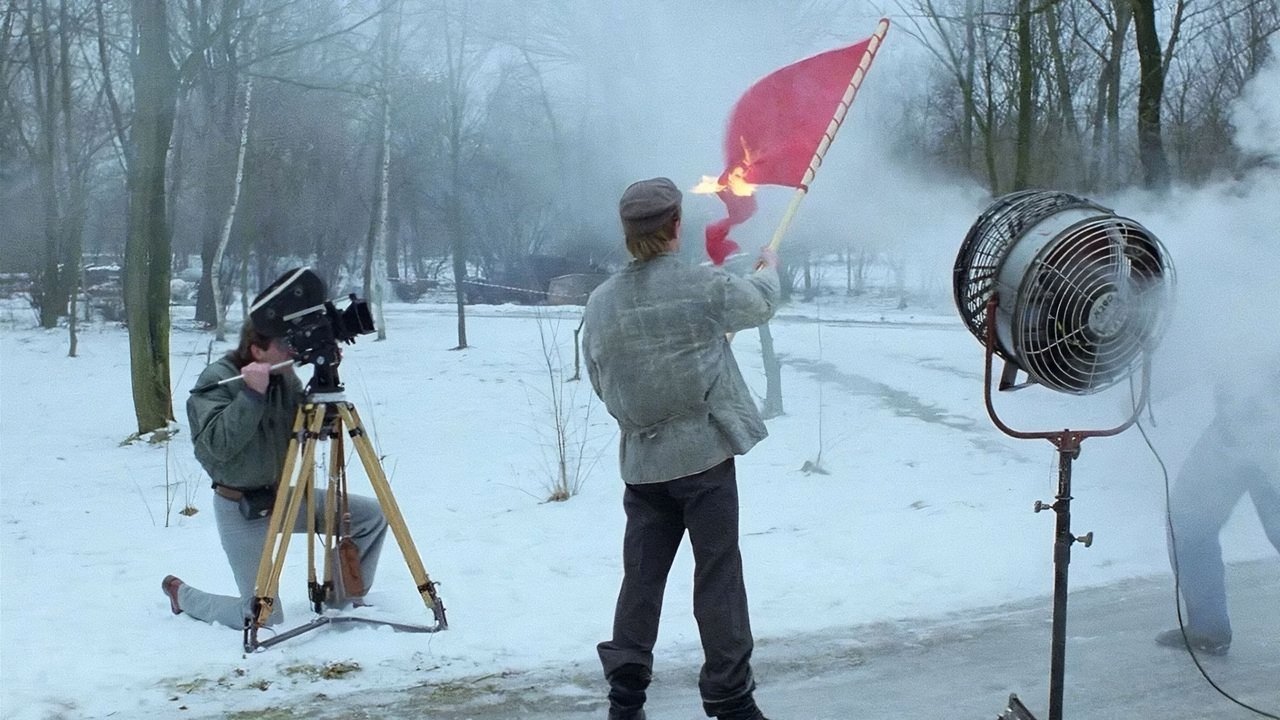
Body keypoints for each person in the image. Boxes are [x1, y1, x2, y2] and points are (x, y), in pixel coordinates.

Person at [582, 177, 780, 720]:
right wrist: (766, 267)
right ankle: (730, 699)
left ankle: (625, 700)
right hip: (703, 460)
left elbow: (600, 381)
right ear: (676, 227)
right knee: (717, 575)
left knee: (641, 580)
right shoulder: (700, 286)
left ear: (628, 235)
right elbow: (759, 305)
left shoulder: (599, 304)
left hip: (642, 466)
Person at [162, 317, 389, 629]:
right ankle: (183, 596)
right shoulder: (215, 380)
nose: (292, 353)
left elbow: (306, 427)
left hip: (285, 497)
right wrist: (251, 395)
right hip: (240, 507)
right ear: (257, 350)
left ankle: (340, 597)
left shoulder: (284, 377)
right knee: (264, 616)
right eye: (284, 347)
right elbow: (218, 447)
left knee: (372, 516)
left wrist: (325, 390)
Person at [1157, 365, 1280, 656]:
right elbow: (1204, 346)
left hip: (1263, 424)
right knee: (1189, 519)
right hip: (1234, 425)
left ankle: (1208, 628)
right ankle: (1206, 629)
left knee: (1191, 519)